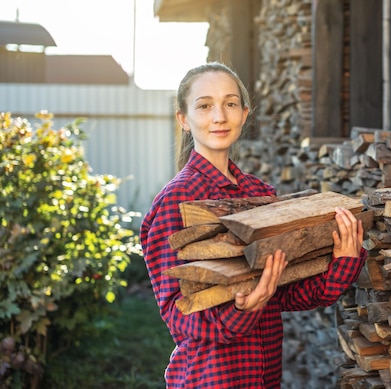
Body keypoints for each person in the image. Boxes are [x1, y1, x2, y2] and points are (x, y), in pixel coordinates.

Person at [140, 62, 368, 389]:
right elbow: (177, 313)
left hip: (264, 378)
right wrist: (242, 311)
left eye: (230, 103)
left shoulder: (260, 194)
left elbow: (285, 292)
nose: (220, 116)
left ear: (244, 114)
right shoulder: (175, 201)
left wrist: (342, 261)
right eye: (204, 106)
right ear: (183, 119)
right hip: (210, 380)